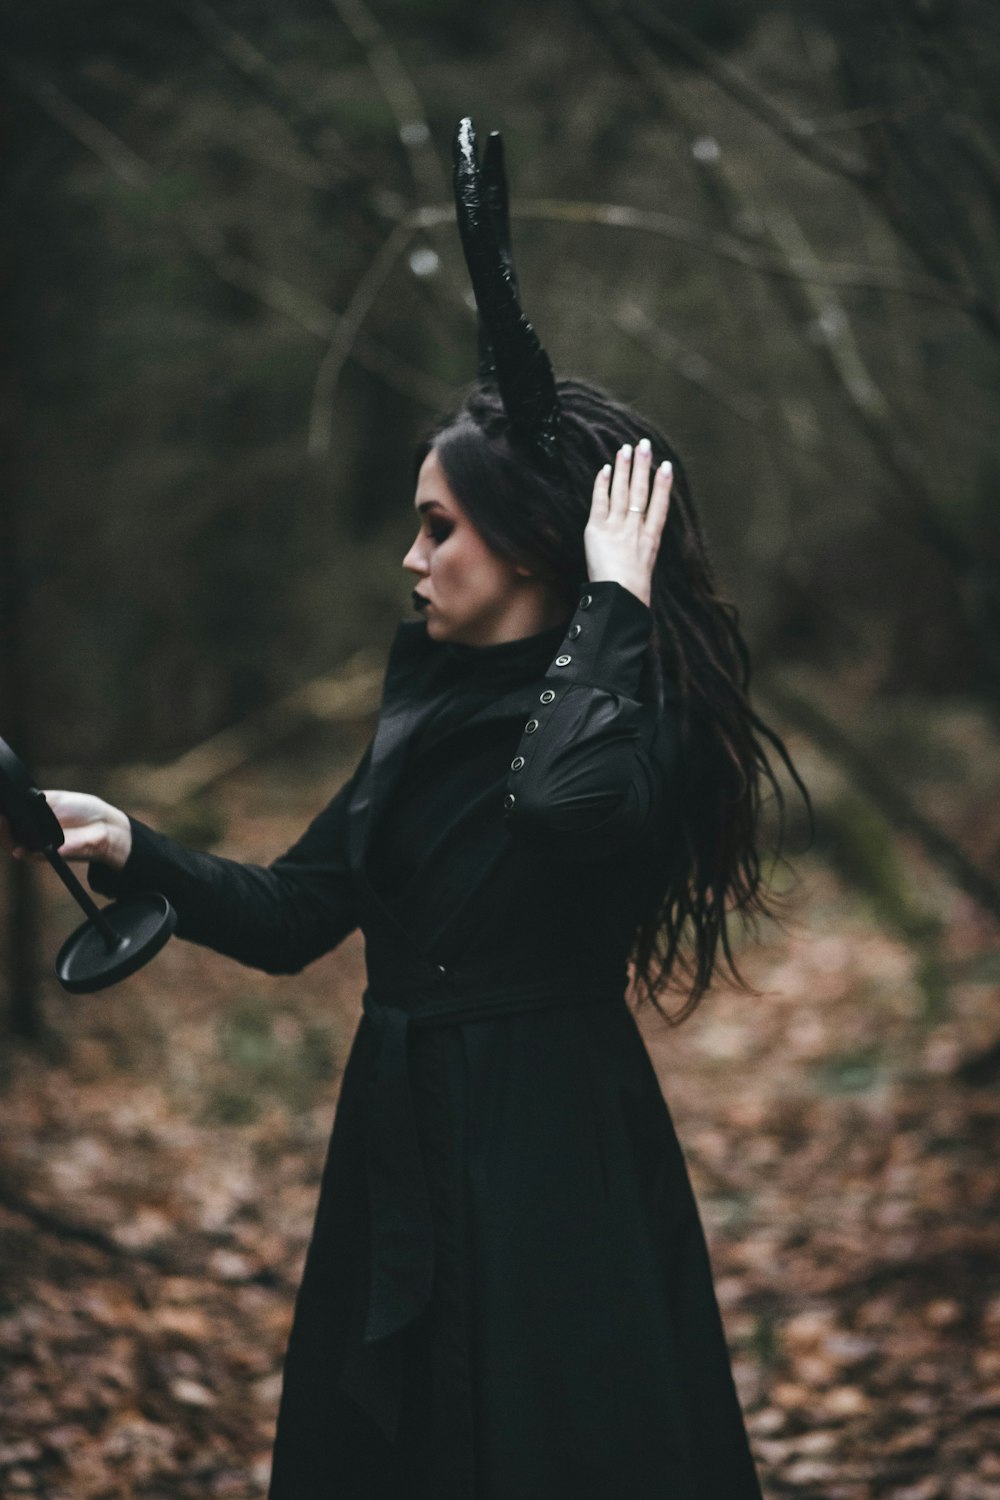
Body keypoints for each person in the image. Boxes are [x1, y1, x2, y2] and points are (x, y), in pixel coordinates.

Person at [4, 121, 809, 1498]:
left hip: (554, 1157)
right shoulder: (423, 711)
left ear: (536, 546)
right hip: (405, 1141)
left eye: (440, 526)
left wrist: (613, 598)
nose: (412, 556)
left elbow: (561, 806)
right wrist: (133, 843)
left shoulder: (636, 712)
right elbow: (299, 915)